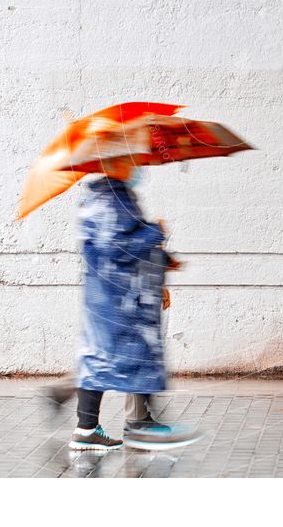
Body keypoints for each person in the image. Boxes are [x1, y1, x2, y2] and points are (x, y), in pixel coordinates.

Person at [65, 158, 192, 452]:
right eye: (132, 162)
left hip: (109, 295)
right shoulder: (111, 198)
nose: (139, 168)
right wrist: (156, 231)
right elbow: (119, 247)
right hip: (118, 298)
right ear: (116, 164)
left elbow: (123, 242)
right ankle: (138, 425)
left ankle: (93, 428)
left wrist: (163, 259)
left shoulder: (104, 196)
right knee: (125, 355)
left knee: (100, 357)